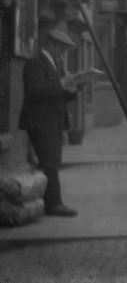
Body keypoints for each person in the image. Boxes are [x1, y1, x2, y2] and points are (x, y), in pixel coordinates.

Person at [19, 27, 84, 217]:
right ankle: (54, 204)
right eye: (62, 48)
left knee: (52, 161)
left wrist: (75, 88)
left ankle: (48, 201)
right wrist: (63, 83)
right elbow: (36, 91)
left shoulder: (56, 63)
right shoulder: (35, 63)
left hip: (53, 120)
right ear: (52, 44)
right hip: (41, 120)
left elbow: (57, 95)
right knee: (49, 162)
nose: (63, 52)